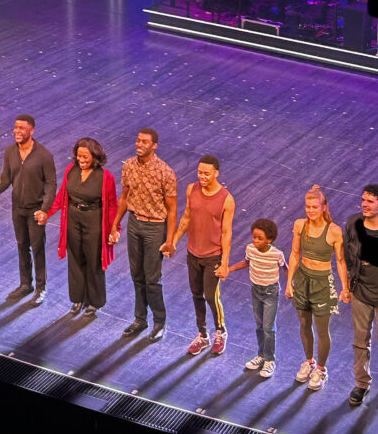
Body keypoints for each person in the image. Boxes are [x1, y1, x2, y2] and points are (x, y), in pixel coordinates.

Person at [109, 128, 177, 342]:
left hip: (155, 228)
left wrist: (170, 239)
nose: (139, 144)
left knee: (152, 278)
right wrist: (115, 224)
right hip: (134, 223)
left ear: (154, 145)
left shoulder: (166, 172)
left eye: (145, 142)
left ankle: (159, 322)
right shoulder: (129, 165)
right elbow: (124, 197)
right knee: (136, 275)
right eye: (138, 141)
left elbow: (172, 209)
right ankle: (140, 319)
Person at [36, 137, 117, 316]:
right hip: (73, 219)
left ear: (95, 157)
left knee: (93, 261)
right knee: (75, 259)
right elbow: (61, 196)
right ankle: (78, 299)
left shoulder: (105, 177)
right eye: (79, 156)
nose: (81, 160)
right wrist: (46, 213)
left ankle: (94, 302)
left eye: (85, 156)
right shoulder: (70, 170)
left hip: (94, 220)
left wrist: (114, 230)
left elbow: (112, 205)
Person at [286, 184, 351, 391]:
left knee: (322, 329)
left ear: (324, 207)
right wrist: (289, 282)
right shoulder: (299, 225)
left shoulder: (334, 231)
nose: (310, 211)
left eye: (314, 207)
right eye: (308, 207)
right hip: (303, 278)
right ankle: (309, 362)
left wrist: (345, 288)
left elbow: (341, 261)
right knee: (304, 324)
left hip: (323, 282)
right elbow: (295, 254)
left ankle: (321, 369)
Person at [171, 155, 235, 355]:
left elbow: (226, 233)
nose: (202, 176)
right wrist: (173, 241)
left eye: (207, 173)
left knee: (210, 296)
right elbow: (186, 217)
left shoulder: (227, 199)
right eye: (200, 172)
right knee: (196, 295)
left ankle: (220, 331)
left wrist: (224, 263)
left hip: (213, 257)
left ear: (216, 173)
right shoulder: (192, 189)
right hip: (193, 254)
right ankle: (203, 335)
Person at [0, 114, 56, 306]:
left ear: (32, 131)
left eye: (22, 128)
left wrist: (45, 209)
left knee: (37, 249)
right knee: (22, 246)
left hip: (36, 210)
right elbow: (6, 178)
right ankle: (25, 284)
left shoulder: (44, 155)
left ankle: (41, 288)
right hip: (18, 208)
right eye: (16, 127)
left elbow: (52, 184)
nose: (17, 131)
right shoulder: (10, 152)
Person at [229, 218, 286, 378]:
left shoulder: (276, 254)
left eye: (260, 238)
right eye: (254, 237)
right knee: (259, 325)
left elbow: (286, 268)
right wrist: (230, 269)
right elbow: (246, 262)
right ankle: (261, 355)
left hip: (271, 292)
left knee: (269, 327)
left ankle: (269, 360)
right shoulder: (250, 249)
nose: (255, 241)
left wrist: (291, 286)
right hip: (255, 290)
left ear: (270, 239)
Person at [344, 183, 378, 406]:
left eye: (370, 201)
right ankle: (361, 383)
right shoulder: (354, 223)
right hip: (361, 292)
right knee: (360, 342)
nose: (364, 205)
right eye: (363, 200)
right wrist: (349, 283)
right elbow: (347, 254)